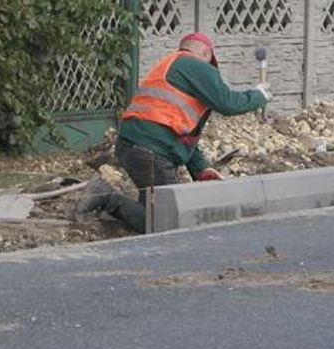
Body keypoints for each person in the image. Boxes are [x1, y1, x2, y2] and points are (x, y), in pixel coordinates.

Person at [75, 31, 270, 232]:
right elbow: (228, 104)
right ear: (206, 53)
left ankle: (115, 217)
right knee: (167, 222)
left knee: (153, 212)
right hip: (151, 152)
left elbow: (184, 136)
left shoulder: (171, 65)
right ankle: (106, 197)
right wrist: (258, 96)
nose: (212, 70)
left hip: (136, 147)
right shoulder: (196, 66)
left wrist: (201, 169)